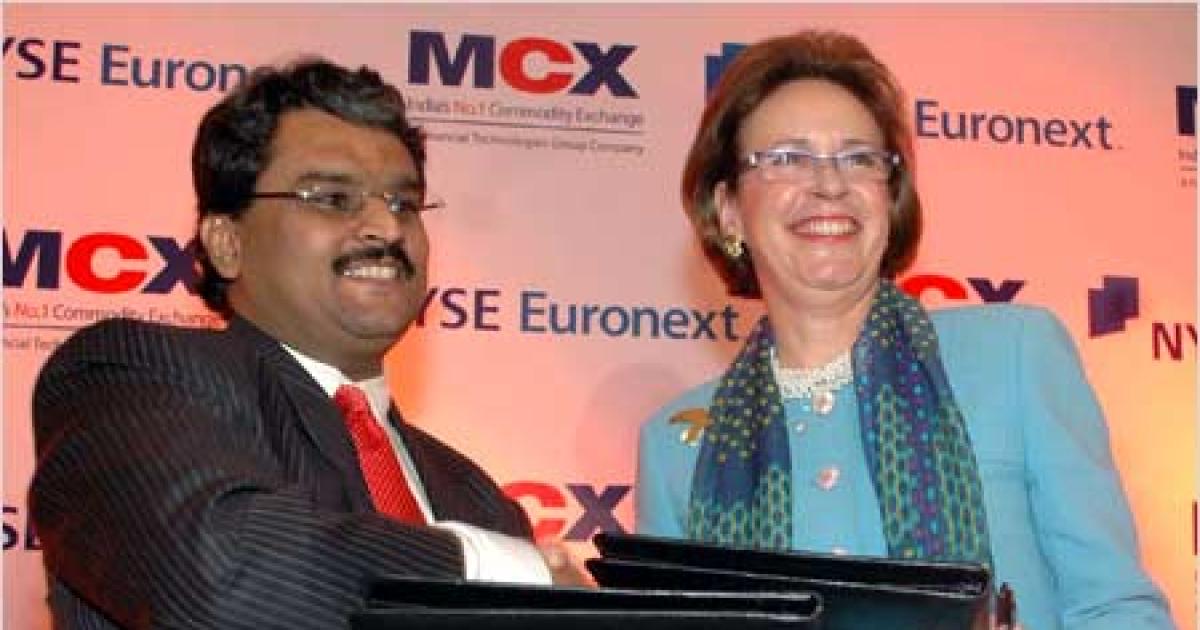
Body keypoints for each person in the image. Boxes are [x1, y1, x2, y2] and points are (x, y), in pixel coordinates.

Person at [635, 30, 1174, 630]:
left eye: (858, 158)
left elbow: (1117, 609)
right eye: (787, 158)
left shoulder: (1014, 356)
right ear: (730, 208)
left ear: (889, 199)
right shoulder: (674, 446)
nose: (829, 184)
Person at [28, 58, 580, 630]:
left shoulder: (475, 497)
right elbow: (224, 578)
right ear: (227, 243)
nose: (388, 229)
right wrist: (503, 573)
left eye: (403, 204)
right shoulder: (126, 376)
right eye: (333, 198)